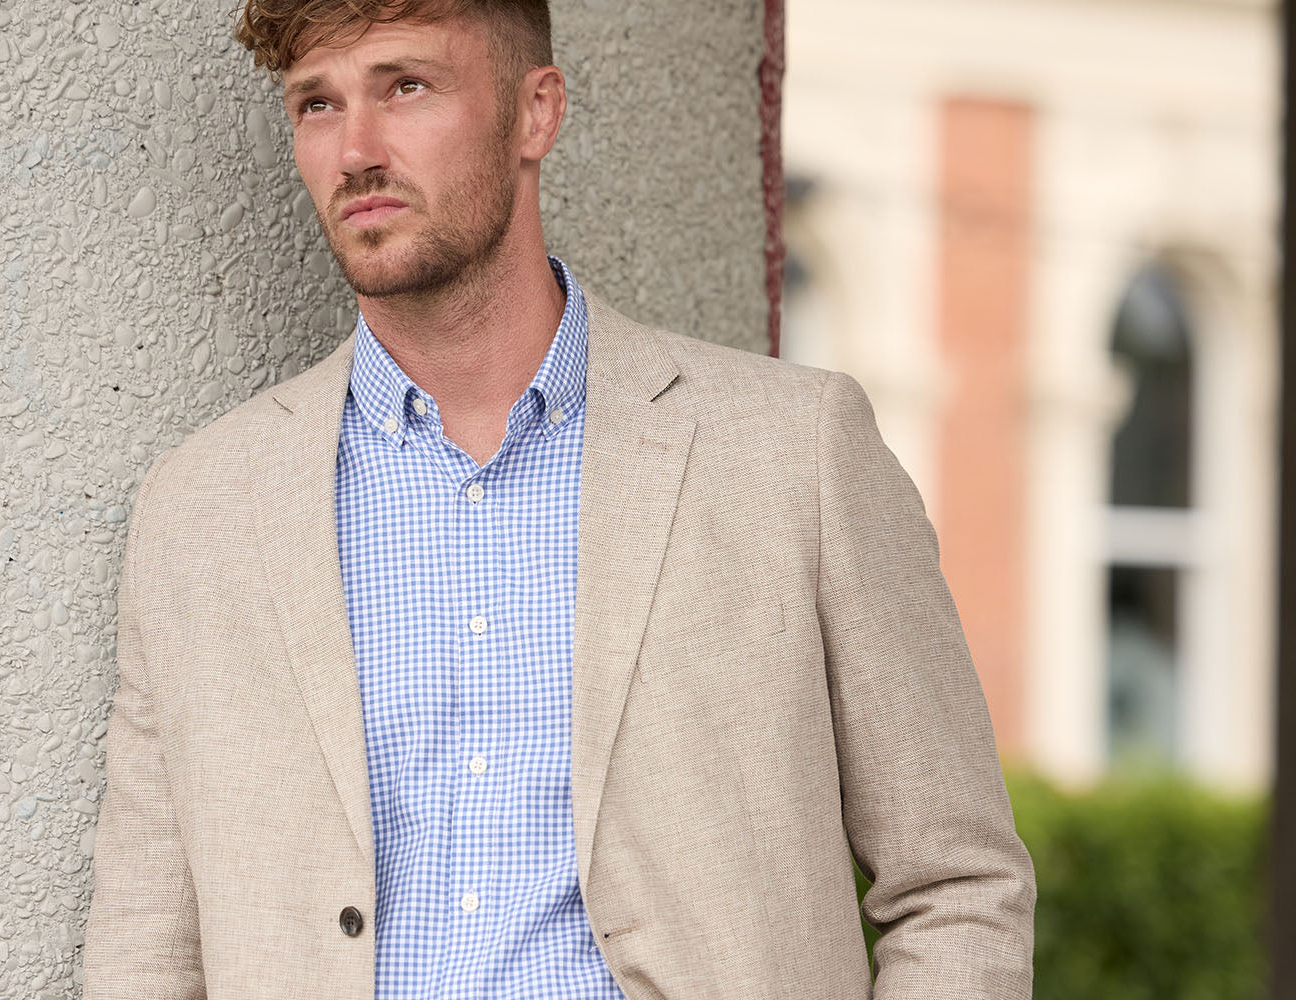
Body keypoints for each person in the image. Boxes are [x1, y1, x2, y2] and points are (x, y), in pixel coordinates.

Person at [80, 1, 1037, 997]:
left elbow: (957, 880)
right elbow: (147, 951)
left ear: (537, 113)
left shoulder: (794, 455)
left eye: (405, 86)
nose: (356, 149)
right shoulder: (202, 511)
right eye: (316, 104)